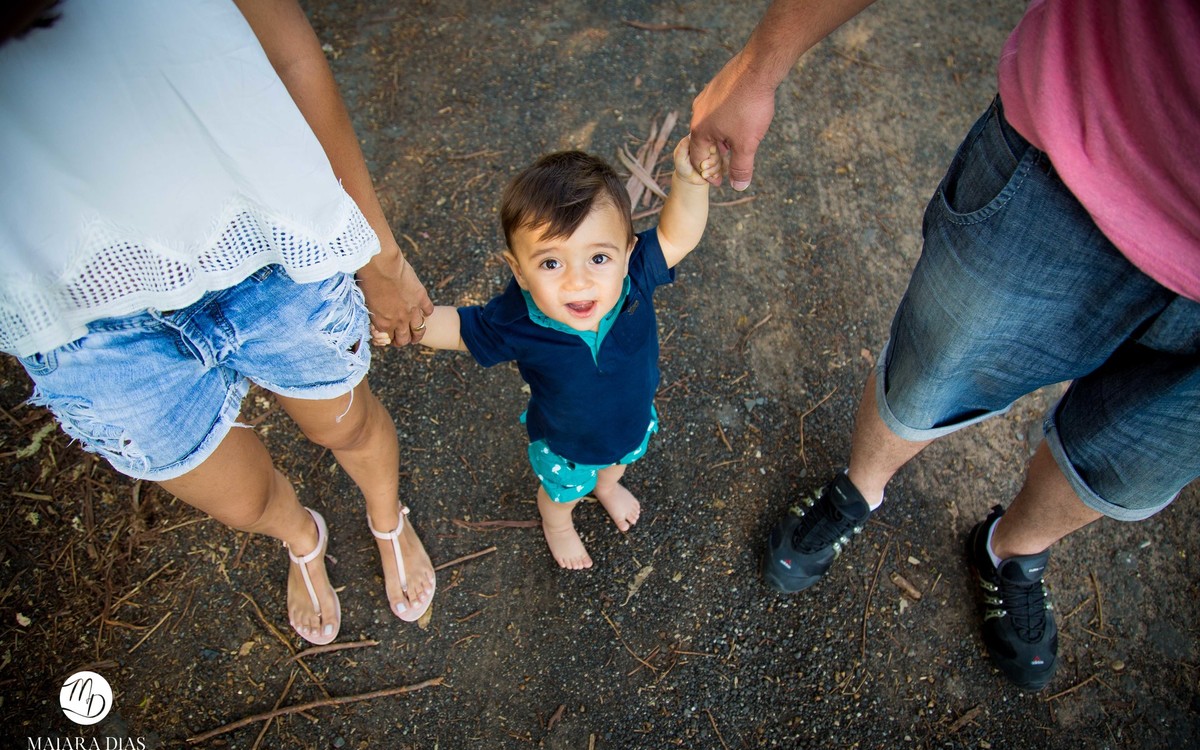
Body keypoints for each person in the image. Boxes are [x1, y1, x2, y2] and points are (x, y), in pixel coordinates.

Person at [689, 0, 1200, 691]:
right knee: (931, 370)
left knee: (1127, 462)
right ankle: (856, 492)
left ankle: (1012, 553)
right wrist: (759, 66)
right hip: (1081, 152)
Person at [0, 0, 437, 646]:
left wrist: (379, 258)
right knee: (242, 502)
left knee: (345, 424)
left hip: (264, 248)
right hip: (77, 325)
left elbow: (286, 52)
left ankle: (386, 518)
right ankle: (302, 537)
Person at [409, 141, 715, 569]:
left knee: (617, 465)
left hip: (631, 420)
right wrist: (407, 322)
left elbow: (677, 235)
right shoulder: (517, 320)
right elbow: (460, 329)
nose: (578, 282)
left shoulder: (636, 277)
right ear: (520, 271)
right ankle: (557, 525)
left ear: (628, 253)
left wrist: (689, 182)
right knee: (561, 495)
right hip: (565, 445)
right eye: (551, 264)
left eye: (599, 257)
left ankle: (606, 487)